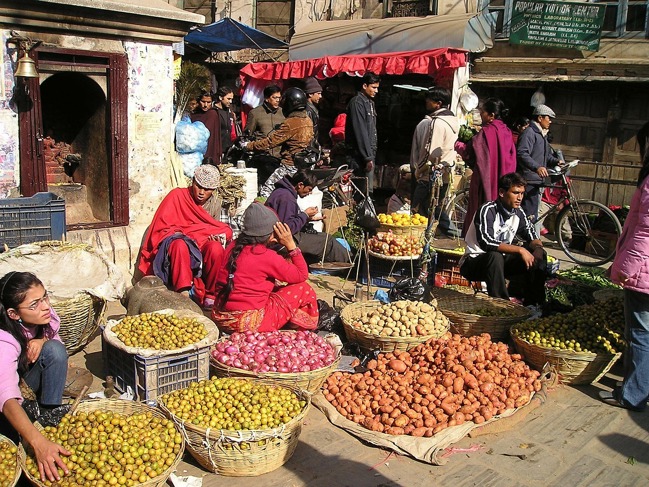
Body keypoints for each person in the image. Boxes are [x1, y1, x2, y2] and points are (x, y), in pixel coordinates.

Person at [0, 271, 70, 482]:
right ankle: (33, 430)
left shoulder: (44, 314)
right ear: (13, 314)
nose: (45, 306)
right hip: (8, 393)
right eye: (34, 304)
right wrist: (37, 443)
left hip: (24, 381)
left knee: (54, 350)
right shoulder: (4, 340)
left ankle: (47, 416)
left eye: (45, 297)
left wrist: (42, 340)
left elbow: (56, 341)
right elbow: (6, 396)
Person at [599, 123, 649, 411]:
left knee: (640, 334)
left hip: (644, 270)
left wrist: (623, 268)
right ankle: (639, 386)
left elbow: (644, 233)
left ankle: (633, 394)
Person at [211, 203, 319, 333]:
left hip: (221, 317)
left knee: (275, 286)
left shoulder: (232, 247)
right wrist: (291, 244)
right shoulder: (266, 256)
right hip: (248, 324)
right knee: (303, 289)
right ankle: (297, 328)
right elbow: (301, 275)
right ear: (271, 235)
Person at [138, 164, 233, 309]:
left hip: (203, 245)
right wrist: (187, 235)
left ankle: (211, 295)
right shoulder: (177, 196)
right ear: (192, 182)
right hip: (179, 245)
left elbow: (223, 229)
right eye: (198, 186)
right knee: (179, 244)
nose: (201, 192)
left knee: (216, 248)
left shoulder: (216, 204)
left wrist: (217, 237)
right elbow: (161, 227)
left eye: (207, 189)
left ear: (213, 190)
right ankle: (183, 293)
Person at [459, 173, 547, 309]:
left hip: (500, 264)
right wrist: (520, 249)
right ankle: (503, 306)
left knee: (538, 256)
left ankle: (534, 304)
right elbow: (487, 242)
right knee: (495, 256)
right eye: (515, 193)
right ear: (501, 192)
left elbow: (532, 236)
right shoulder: (487, 210)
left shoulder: (519, 212)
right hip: (474, 263)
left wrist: (538, 249)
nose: (520, 198)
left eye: (522, 193)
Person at [456, 98, 517, 236]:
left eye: (482, 112)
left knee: (480, 211)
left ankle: (478, 239)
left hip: (485, 181)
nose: (481, 115)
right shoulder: (507, 131)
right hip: (503, 181)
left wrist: (459, 145)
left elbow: (471, 154)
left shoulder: (486, 132)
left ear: (491, 116)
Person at [266, 170, 350, 263]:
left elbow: (285, 218)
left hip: (279, 237)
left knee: (321, 237)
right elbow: (287, 229)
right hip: (279, 242)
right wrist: (304, 215)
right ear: (300, 185)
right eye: (309, 189)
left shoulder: (283, 192)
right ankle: (351, 264)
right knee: (327, 241)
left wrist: (308, 218)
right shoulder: (286, 198)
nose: (309, 193)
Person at [246, 87, 314, 198]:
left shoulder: (291, 123)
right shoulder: (307, 120)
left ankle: (268, 214)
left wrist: (249, 146)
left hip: (289, 165)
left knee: (266, 192)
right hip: (303, 164)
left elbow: (271, 142)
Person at [409, 87, 460, 236]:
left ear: (438, 103)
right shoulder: (453, 121)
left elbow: (430, 153)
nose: (426, 102)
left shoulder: (437, 122)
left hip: (430, 175)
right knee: (434, 209)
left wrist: (418, 170)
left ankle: (453, 234)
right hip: (445, 172)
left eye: (429, 100)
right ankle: (445, 236)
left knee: (417, 210)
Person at [516, 104, 562, 231]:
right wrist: (537, 167)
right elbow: (522, 153)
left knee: (532, 213)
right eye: (549, 118)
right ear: (540, 118)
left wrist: (557, 162)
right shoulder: (529, 133)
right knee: (529, 213)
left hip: (537, 180)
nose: (550, 121)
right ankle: (524, 240)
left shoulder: (542, 135)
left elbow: (545, 157)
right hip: (529, 178)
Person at [346, 72, 380, 196]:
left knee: (367, 191)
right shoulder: (357, 103)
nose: (376, 91)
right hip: (359, 156)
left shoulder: (370, 103)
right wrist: (367, 157)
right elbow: (360, 132)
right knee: (361, 191)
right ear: (364, 86)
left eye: (377, 88)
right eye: (374, 87)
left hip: (368, 153)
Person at [244, 84, 285, 159]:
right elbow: (247, 135)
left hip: (279, 157)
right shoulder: (255, 113)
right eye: (275, 97)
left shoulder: (283, 113)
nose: (278, 100)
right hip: (262, 156)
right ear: (266, 98)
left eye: (279, 97)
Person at [190, 91, 222, 164]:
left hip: (209, 149)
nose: (205, 105)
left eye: (209, 102)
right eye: (203, 102)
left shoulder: (212, 114)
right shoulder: (194, 113)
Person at [213, 86, 237, 158]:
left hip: (228, 150)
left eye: (232, 99)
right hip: (217, 150)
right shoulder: (213, 112)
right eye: (228, 99)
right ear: (220, 98)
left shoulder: (229, 112)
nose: (230, 101)